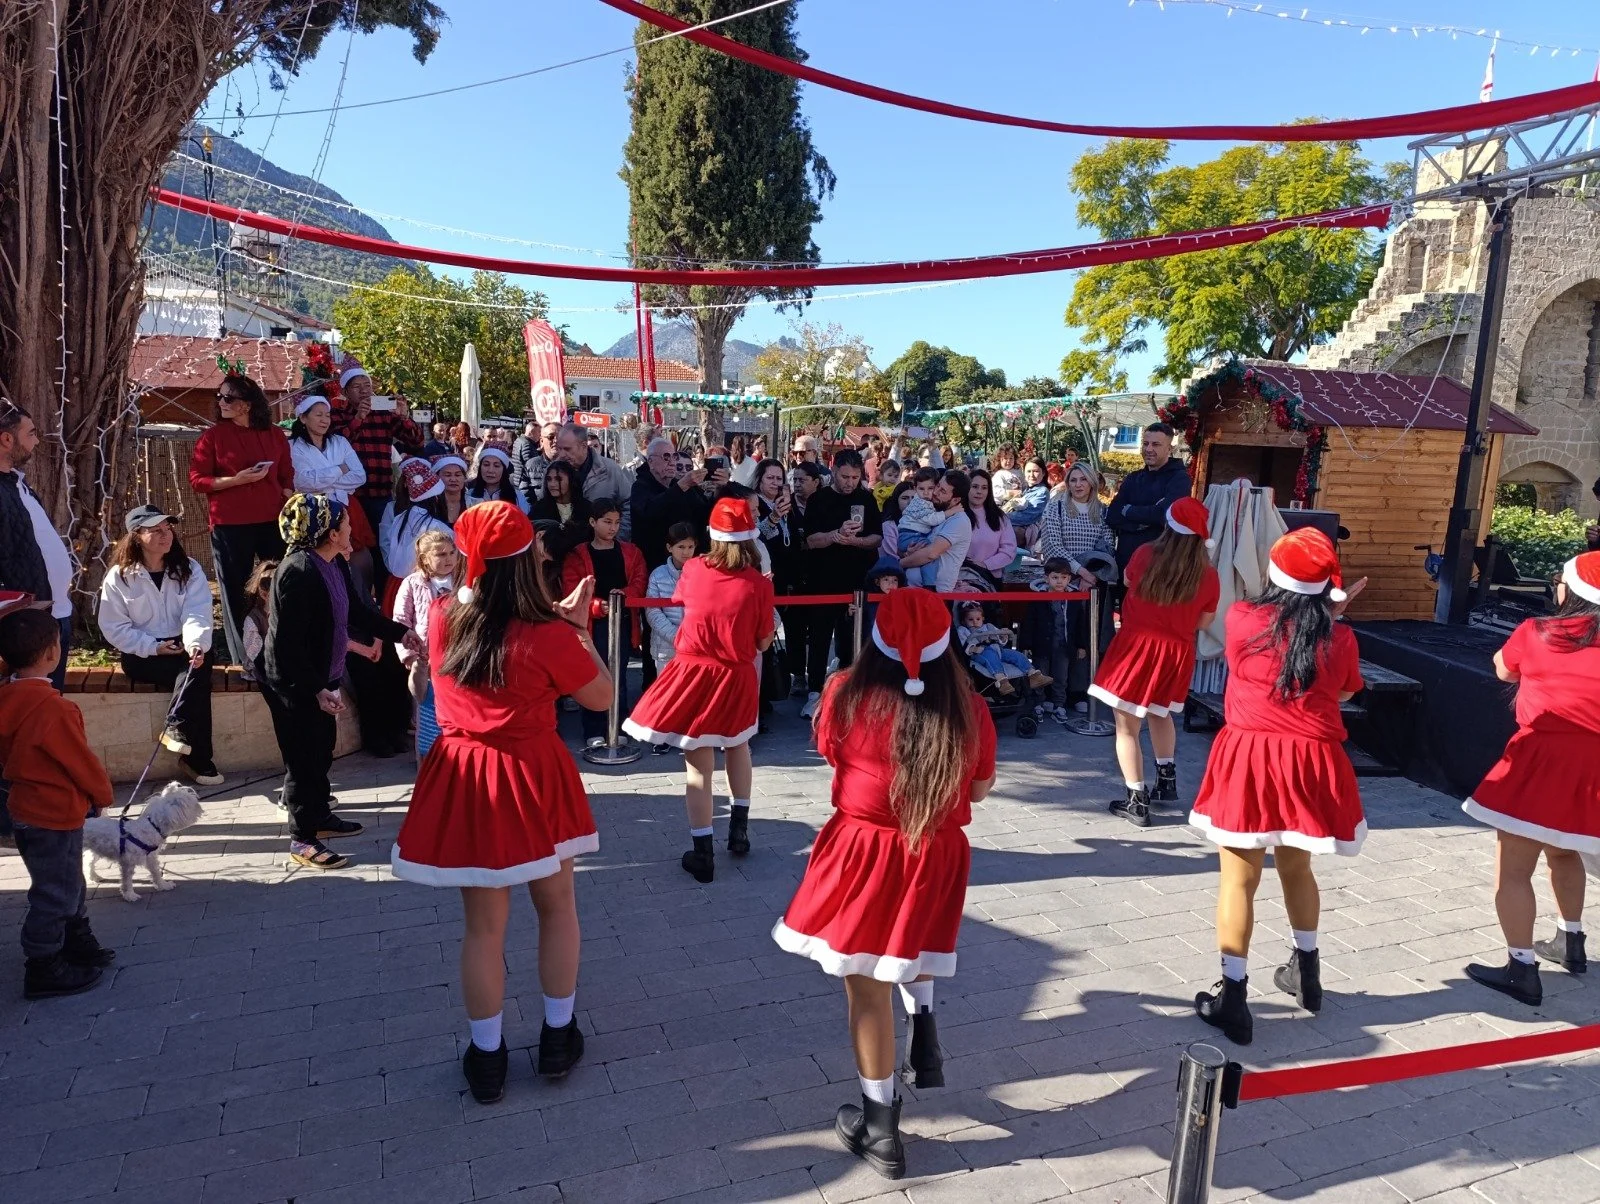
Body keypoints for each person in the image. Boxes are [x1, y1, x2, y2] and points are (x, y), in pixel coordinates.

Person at [773, 587, 995, 1181]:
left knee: (866, 986)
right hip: (938, 853)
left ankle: (880, 1128)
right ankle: (922, 1022)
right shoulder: (971, 708)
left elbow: (830, 756)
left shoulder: (844, 693)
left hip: (863, 852)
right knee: (914, 941)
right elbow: (976, 791)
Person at [392, 502, 611, 1101]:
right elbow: (601, 698)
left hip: (467, 775)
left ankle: (487, 1057)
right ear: (527, 559)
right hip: (535, 773)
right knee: (558, 907)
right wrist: (575, 629)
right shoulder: (544, 632)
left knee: (483, 929)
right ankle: (558, 1038)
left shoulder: (441, 617)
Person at [1188, 529, 1368, 1045]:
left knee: (1238, 880)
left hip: (1250, 758)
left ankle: (1234, 997)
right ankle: (1307, 973)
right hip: (1313, 762)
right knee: (1298, 868)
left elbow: (1252, 656)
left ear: (1274, 572)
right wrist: (1331, 616)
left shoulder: (1244, 618)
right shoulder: (1340, 636)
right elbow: (1349, 686)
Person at [1460, 551, 1600, 1007]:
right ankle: (1571, 941)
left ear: (1569, 591)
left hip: (1540, 760)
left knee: (1514, 871)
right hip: (1593, 766)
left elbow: (1502, 667)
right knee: (1565, 850)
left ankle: (1521, 968)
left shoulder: (1538, 633)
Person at [623, 498, 775, 881]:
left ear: (712, 534)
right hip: (737, 675)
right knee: (738, 745)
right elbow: (761, 643)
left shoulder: (692, 568)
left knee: (698, 764)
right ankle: (739, 831)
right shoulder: (758, 583)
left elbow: (681, 600)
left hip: (693, 672)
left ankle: (702, 852)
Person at [266, 494, 416, 869]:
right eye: (346, 523)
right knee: (303, 759)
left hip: (321, 677)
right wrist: (316, 688)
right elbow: (289, 647)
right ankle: (302, 839)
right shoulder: (298, 572)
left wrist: (403, 634)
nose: (352, 528)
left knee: (321, 750)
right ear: (331, 533)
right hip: (296, 683)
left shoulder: (335, 564)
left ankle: (319, 817)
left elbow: (361, 614)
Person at [0, 607, 116, 999]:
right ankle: (44, 963)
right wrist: (101, 795)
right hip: (56, 811)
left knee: (63, 880)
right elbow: (79, 760)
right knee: (55, 891)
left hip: (26, 809)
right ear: (53, 652)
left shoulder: (6, 698)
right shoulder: (54, 708)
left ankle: (75, 939)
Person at [1090, 498, 1219, 827]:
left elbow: (1130, 583)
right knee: (1161, 713)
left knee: (1127, 728)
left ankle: (1136, 800)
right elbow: (1204, 622)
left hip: (1137, 646)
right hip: (1177, 652)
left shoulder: (1145, 554)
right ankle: (1166, 780)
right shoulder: (1207, 574)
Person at [96, 505, 222, 786]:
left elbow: (197, 612)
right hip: (141, 652)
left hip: (183, 644)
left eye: (168, 529)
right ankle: (197, 759)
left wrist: (194, 645)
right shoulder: (119, 577)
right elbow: (114, 627)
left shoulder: (189, 568)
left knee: (194, 667)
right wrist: (153, 646)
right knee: (193, 678)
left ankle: (176, 729)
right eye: (156, 531)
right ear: (136, 537)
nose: (166, 536)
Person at [188, 373, 294, 666]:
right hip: (230, 524)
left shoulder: (273, 434)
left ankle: (282, 649)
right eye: (219, 396)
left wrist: (290, 494)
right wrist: (236, 480)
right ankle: (246, 659)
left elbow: (286, 474)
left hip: (272, 520)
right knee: (236, 592)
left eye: (228, 397)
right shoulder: (212, 437)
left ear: (247, 404)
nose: (221, 402)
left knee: (280, 583)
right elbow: (198, 480)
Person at [799, 450, 883, 718]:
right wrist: (835, 536)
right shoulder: (819, 500)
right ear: (833, 471)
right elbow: (810, 540)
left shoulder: (866, 499)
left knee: (852, 637)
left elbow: (877, 538)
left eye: (855, 477)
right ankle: (814, 692)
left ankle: (850, 689)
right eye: (845, 476)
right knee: (820, 637)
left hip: (857, 580)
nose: (849, 482)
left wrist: (856, 541)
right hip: (822, 580)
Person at [329, 363, 425, 591]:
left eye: (367, 386)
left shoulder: (384, 413)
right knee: (353, 551)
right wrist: (360, 417)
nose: (364, 391)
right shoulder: (337, 415)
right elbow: (338, 442)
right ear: (345, 392)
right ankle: (355, 600)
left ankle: (385, 600)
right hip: (350, 496)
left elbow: (417, 443)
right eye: (357, 387)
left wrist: (404, 417)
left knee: (384, 549)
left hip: (381, 493)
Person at [560, 499, 646, 747]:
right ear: (592, 522)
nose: (613, 528)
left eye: (617, 522)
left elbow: (640, 580)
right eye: (607, 522)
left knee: (618, 675)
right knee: (592, 675)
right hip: (592, 624)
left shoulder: (631, 551)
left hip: (622, 620)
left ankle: (618, 724)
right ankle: (593, 729)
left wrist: (625, 595)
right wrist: (597, 605)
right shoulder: (578, 554)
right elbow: (572, 588)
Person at [0, 402, 75, 690]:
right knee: (26, 715)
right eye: (30, 433)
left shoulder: (18, 483)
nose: (37, 440)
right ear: (7, 439)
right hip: (22, 624)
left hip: (53, 614)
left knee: (49, 706)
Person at [1106, 423, 1193, 575]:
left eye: (1156, 444)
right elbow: (1112, 515)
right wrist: (1140, 523)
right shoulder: (1133, 478)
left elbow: (1165, 514)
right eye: (1145, 444)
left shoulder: (1180, 479)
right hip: (1125, 563)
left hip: (1158, 565)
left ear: (1169, 449)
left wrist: (1128, 510)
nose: (1149, 449)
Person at [644, 523, 698, 753]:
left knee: (694, 691)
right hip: (668, 645)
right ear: (669, 547)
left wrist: (694, 635)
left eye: (690, 546)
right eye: (681, 547)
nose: (686, 552)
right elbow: (653, 611)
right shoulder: (658, 574)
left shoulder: (702, 571)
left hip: (696, 644)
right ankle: (663, 735)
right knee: (667, 691)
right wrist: (676, 636)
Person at [380, 461, 456, 614]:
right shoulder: (437, 527)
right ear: (436, 498)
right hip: (420, 588)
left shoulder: (400, 518)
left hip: (394, 584)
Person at [555, 421, 633, 541]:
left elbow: (627, 504)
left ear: (584, 446)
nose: (562, 454)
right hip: (565, 547)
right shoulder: (553, 471)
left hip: (603, 547)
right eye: (559, 449)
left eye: (567, 449)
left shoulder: (610, 470)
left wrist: (616, 539)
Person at [899, 470, 973, 595]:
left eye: (943, 491)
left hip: (936, 595)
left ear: (955, 500)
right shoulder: (934, 511)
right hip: (915, 592)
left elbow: (931, 553)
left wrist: (899, 564)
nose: (935, 493)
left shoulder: (959, 520)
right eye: (938, 486)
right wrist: (908, 553)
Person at [1040, 463, 1114, 585]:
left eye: (1083, 479)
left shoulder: (1103, 510)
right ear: (1068, 484)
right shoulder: (1055, 508)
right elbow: (1053, 546)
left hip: (1092, 582)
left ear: (1091, 482)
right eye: (1073, 480)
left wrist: (1091, 575)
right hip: (1060, 580)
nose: (1078, 484)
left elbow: (1108, 547)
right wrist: (1081, 571)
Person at [954, 601, 1048, 696]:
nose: (975, 622)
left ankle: (1033, 674)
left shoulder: (989, 627)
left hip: (998, 650)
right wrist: (973, 649)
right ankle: (1002, 681)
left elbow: (1000, 639)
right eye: (970, 619)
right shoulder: (963, 630)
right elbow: (963, 645)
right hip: (979, 653)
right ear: (963, 621)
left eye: (978, 619)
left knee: (1016, 655)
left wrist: (1003, 636)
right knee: (990, 655)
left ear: (982, 618)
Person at [963, 470, 1018, 586]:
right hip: (959, 579)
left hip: (990, 579)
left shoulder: (1000, 518)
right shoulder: (955, 515)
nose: (979, 492)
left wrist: (986, 564)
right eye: (975, 486)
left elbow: (1009, 550)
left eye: (984, 488)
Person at [891, 471, 943, 589]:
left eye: (930, 488)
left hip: (912, 539)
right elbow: (933, 520)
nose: (926, 492)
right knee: (930, 552)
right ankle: (930, 585)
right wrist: (949, 513)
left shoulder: (928, 503)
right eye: (904, 498)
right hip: (910, 537)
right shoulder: (920, 504)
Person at [239, 557, 279, 686]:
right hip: (262, 665)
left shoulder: (289, 613)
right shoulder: (253, 619)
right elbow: (254, 652)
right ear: (264, 594)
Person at [466, 447, 530, 515]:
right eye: (486, 465)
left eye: (496, 466)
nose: (490, 470)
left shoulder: (517, 496)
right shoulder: (469, 495)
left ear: (504, 470)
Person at [512, 421, 560, 504]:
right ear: (541, 441)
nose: (556, 440)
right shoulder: (531, 465)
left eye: (560, 437)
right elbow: (525, 498)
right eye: (551, 437)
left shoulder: (573, 465)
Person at [432, 455, 470, 525]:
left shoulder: (474, 504)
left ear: (464, 478)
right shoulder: (429, 507)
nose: (453, 479)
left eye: (458, 475)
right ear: (437, 478)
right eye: (448, 475)